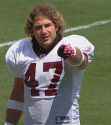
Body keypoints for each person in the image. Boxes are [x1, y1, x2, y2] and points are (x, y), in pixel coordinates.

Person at [4, 4, 95, 125]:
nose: (43, 31)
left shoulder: (71, 44)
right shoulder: (21, 51)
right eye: (38, 27)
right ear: (32, 31)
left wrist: (72, 53)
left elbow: (81, 63)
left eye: (47, 25)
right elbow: (18, 93)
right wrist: (9, 123)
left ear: (56, 26)